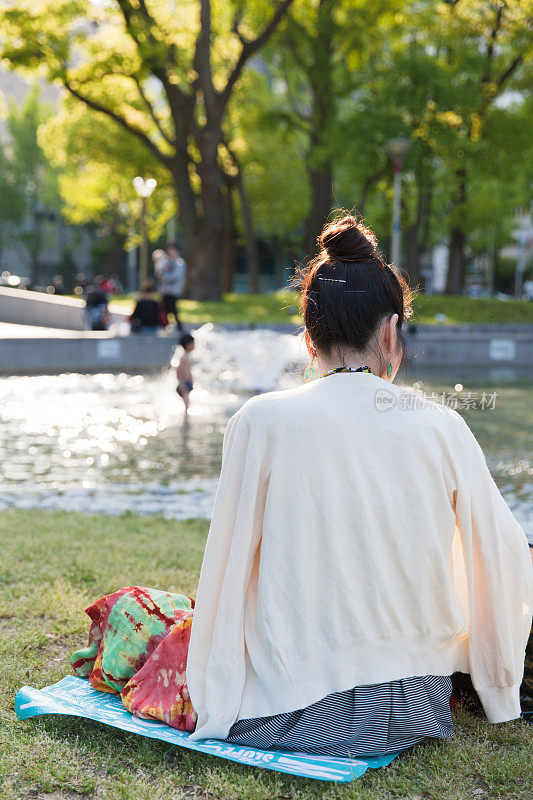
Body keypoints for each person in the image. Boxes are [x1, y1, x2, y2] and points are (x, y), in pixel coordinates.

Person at [70, 215, 532, 758]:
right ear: (390, 333)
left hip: (287, 715)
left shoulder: (262, 421)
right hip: (413, 709)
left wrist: (215, 702)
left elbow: (227, 568)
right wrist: (499, 692)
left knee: (138, 611)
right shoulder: (443, 425)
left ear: (308, 338)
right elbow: (502, 558)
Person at [155, 244, 186, 331]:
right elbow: (160, 272)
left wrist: (164, 278)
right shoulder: (167, 262)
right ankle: (166, 324)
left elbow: (175, 277)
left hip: (174, 290)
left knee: (172, 308)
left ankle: (179, 326)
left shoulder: (180, 263)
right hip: (165, 291)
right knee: (165, 308)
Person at [176, 333, 195, 415]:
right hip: (184, 382)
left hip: (187, 382)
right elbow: (178, 369)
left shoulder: (187, 356)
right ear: (188, 345)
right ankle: (186, 414)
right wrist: (181, 382)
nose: (194, 346)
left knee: (187, 399)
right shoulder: (184, 357)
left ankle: (186, 413)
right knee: (186, 399)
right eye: (193, 344)